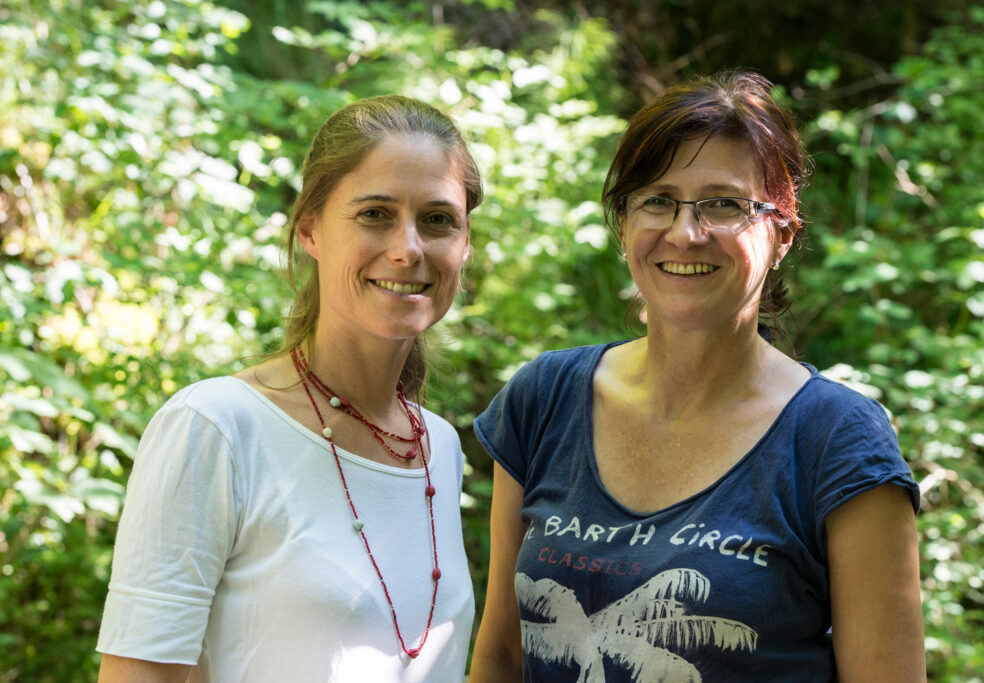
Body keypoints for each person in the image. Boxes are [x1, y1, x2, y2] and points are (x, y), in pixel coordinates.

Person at [469, 71, 925, 682]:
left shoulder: (835, 439)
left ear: (782, 234)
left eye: (724, 204)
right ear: (624, 223)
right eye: (658, 199)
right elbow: (501, 657)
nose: (686, 233)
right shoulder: (544, 398)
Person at [96, 95, 481, 682]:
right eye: (375, 213)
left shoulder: (440, 449)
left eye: (437, 219)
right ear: (310, 231)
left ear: (464, 243)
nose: (408, 248)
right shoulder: (216, 427)